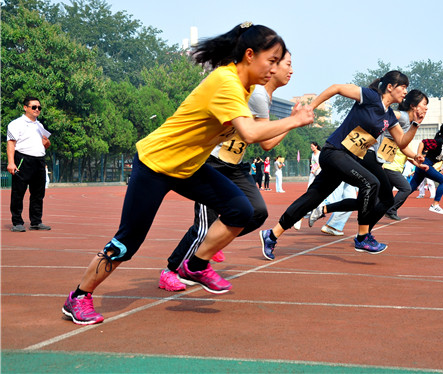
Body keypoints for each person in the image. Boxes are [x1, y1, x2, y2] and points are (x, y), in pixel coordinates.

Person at [61, 23, 314, 325]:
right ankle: (78, 297)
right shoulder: (227, 83)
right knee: (128, 241)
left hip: (189, 167)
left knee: (241, 210)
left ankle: (194, 264)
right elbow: (248, 132)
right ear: (249, 55)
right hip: (156, 164)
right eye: (271, 61)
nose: (274, 69)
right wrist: (294, 121)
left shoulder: (245, 87)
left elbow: (259, 134)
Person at [158, 50, 298, 292]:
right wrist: (293, 121)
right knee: (204, 226)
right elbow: (264, 142)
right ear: (271, 66)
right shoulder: (256, 95)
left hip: (234, 163)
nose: (291, 70)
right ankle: (170, 271)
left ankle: (213, 242)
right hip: (212, 162)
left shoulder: (263, 97)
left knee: (256, 212)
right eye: (287, 64)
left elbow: (264, 140)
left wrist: (291, 122)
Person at [260, 70, 426, 261]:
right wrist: (311, 107)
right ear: (390, 87)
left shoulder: (389, 115)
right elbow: (336, 88)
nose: (405, 92)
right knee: (371, 183)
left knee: (312, 199)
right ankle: (362, 238)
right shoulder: (370, 97)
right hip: (334, 152)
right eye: (403, 87)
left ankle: (271, 235)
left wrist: (415, 124)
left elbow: (402, 142)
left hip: (347, 159)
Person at [6, 96, 52, 232]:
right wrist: (11, 162)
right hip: (23, 160)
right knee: (18, 192)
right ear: (25, 108)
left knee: (38, 193)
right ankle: (17, 222)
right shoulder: (16, 124)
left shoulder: (40, 125)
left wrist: (47, 144)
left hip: (39, 161)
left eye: (39, 107)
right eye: (34, 107)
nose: (37, 110)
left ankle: (36, 221)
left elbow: (45, 145)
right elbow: (11, 144)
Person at [383, 89, 429, 221]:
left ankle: (367, 226)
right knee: (405, 188)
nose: (426, 108)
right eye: (424, 104)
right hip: (385, 164)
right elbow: (390, 113)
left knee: (380, 197)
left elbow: (402, 146)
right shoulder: (402, 116)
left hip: (388, 163)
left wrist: (416, 159)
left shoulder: (410, 123)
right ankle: (390, 210)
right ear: (413, 106)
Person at [409, 124, 443, 215]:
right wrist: (418, 155)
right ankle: (435, 205)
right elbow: (423, 142)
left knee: (409, 189)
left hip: (425, 167)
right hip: (425, 165)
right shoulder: (437, 142)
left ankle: (391, 205)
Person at [293, 141, 322, 230]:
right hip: (313, 174)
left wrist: (316, 169)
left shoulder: (320, 154)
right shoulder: (313, 154)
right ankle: (301, 217)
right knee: (310, 194)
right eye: (311, 146)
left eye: (312, 146)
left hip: (319, 174)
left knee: (319, 200)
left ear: (316, 146)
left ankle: (311, 216)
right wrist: (312, 167)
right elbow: (314, 163)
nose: (311, 148)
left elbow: (320, 163)